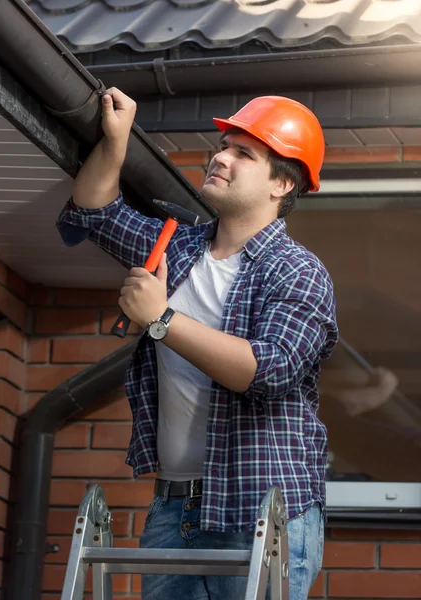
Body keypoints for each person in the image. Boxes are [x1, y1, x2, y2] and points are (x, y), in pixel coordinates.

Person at [57, 88, 339, 600]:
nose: (220, 157)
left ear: (282, 182)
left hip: (262, 512)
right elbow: (94, 210)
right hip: (174, 506)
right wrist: (116, 141)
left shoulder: (298, 272)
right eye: (223, 145)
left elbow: (268, 371)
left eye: (243, 154)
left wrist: (161, 318)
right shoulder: (177, 246)